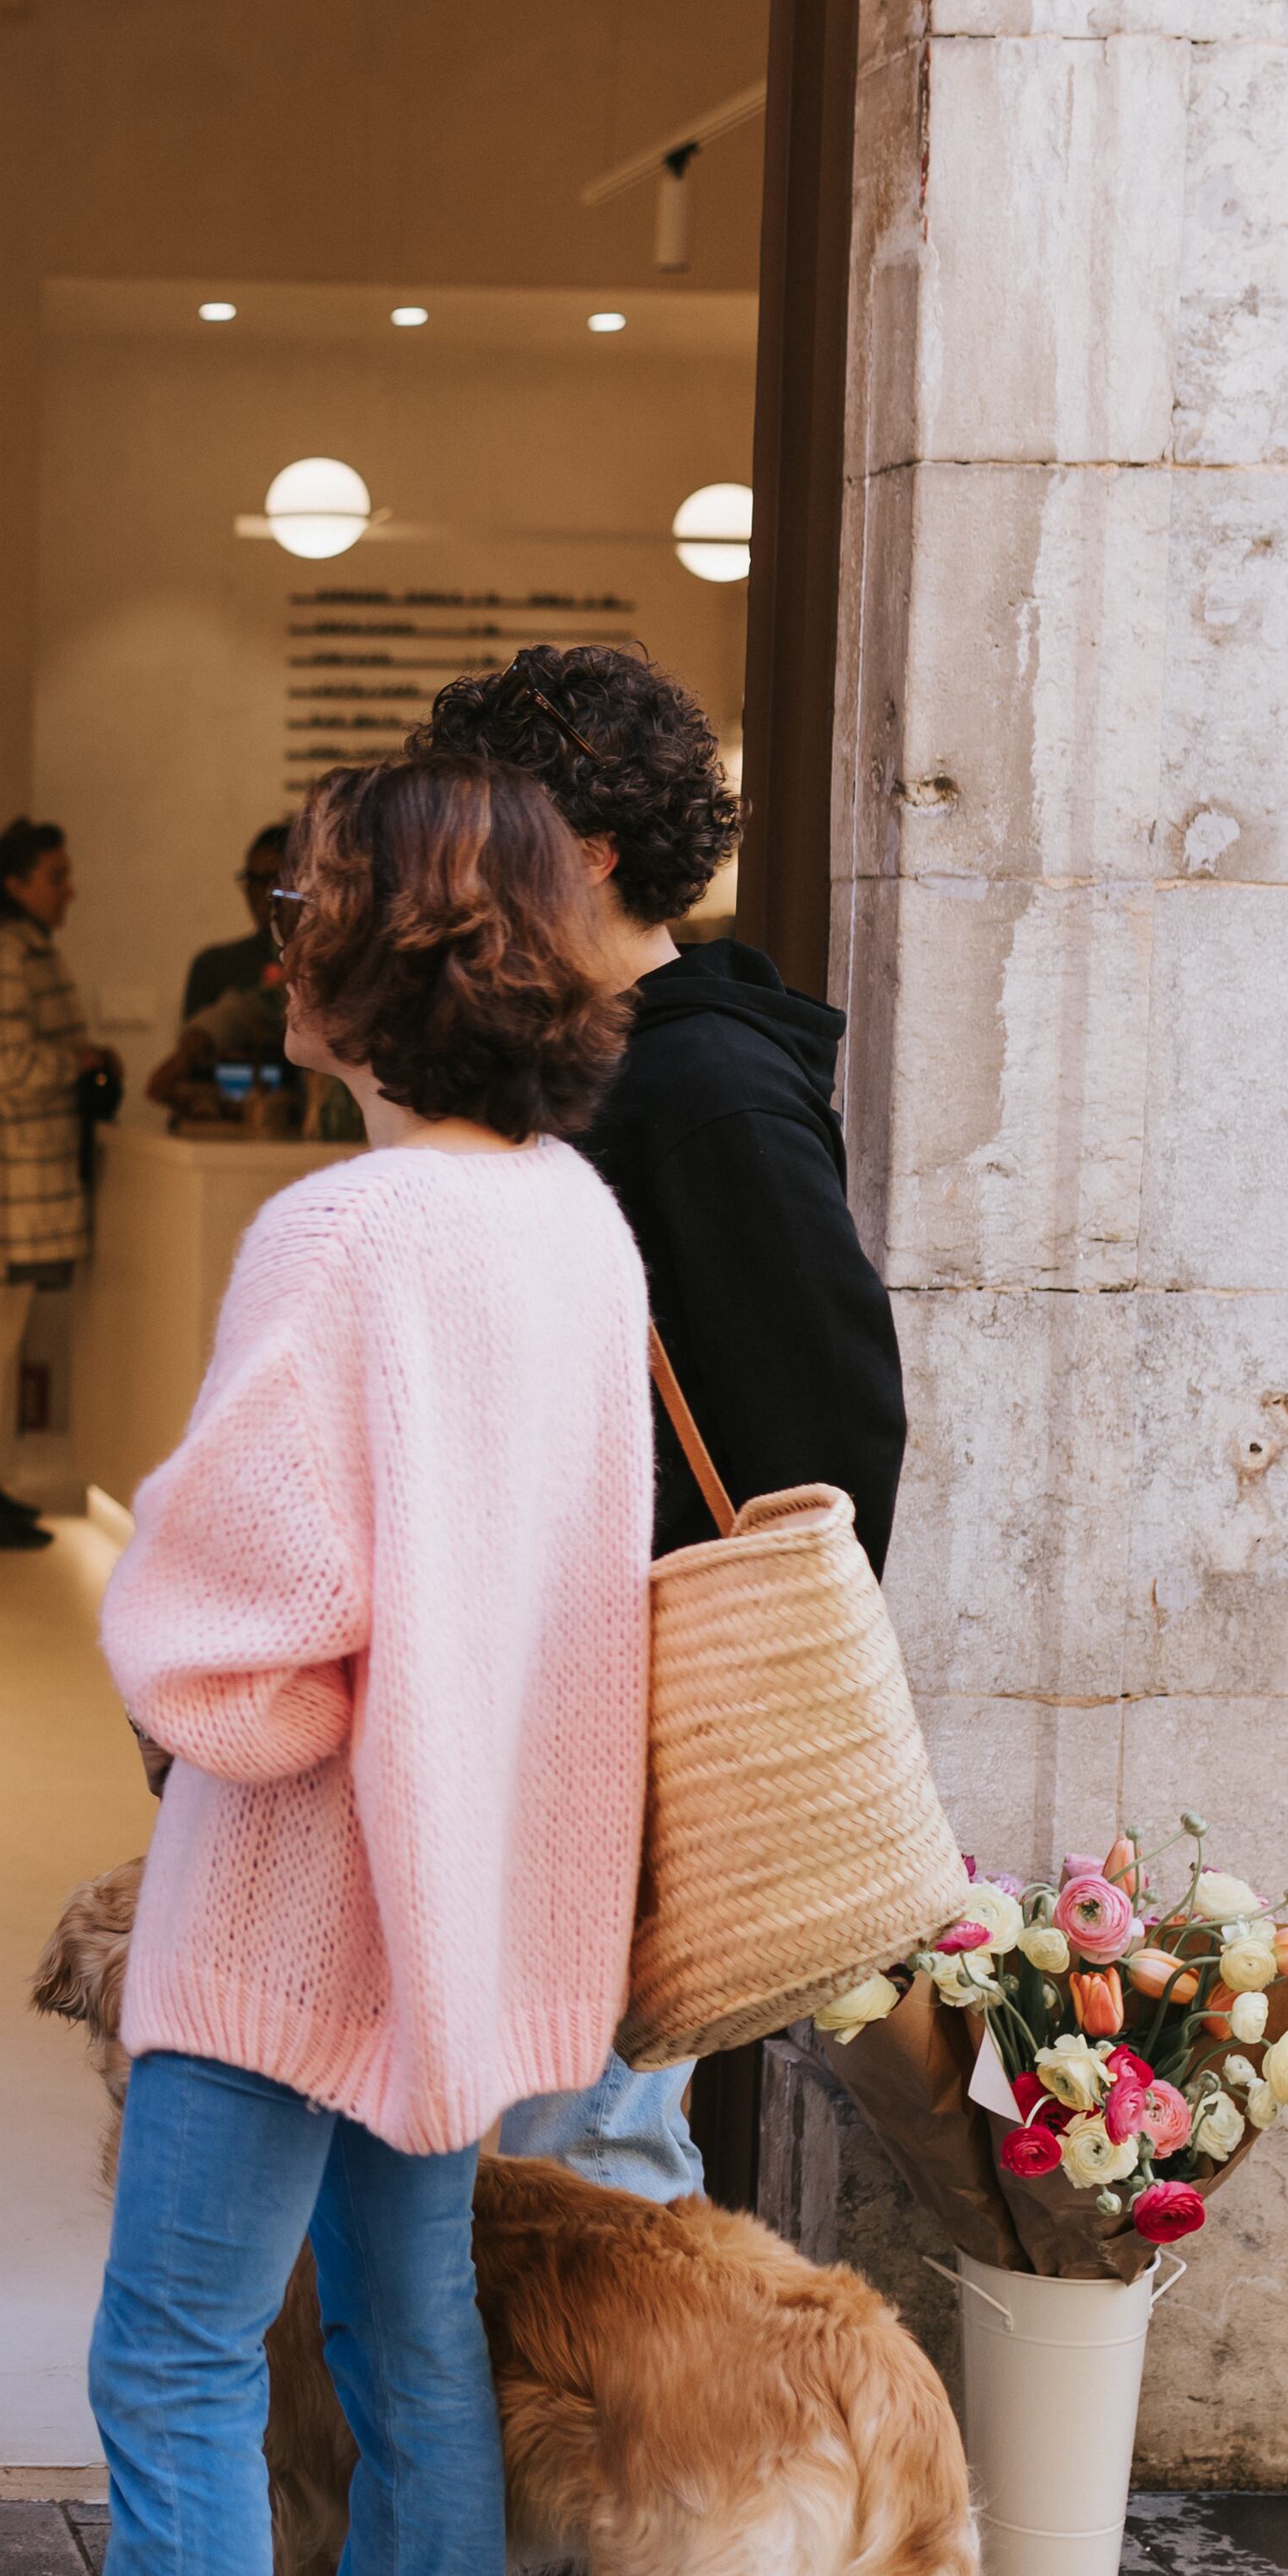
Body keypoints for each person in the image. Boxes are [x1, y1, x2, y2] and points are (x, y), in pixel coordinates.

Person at [86, 756, 652, 2576]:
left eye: (300, 910)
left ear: (374, 957)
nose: (281, 944)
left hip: (291, 1898)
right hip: (462, 1881)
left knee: (173, 2357)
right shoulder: (573, 1209)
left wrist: (166, 1610)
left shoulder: (343, 1234)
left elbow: (233, 1643)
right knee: (411, 2351)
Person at [415, 643, 910, 2206]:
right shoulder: (585, 1062)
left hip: (635, 1718)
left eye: (489, 834)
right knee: (542, 2137)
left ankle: (649, 2453)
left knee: (592, 2145)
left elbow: (831, 1422)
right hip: (552, 1700)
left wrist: (736, 1679)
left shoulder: (700, 1086)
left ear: (599, 850)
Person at [0, 818, 115, 1548]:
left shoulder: (14, 946)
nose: (68, 890)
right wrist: (75, 1062)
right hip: (6, 1174)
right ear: (17, 884)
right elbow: (0, 1062)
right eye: (55, 877)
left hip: (11, 1173)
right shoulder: (9, 951)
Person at [153, 822, 301, 1126]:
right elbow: (198, 1071)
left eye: (272, 880)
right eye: (253, 880)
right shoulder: (215, 965)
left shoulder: (320, 962)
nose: (261, 894)